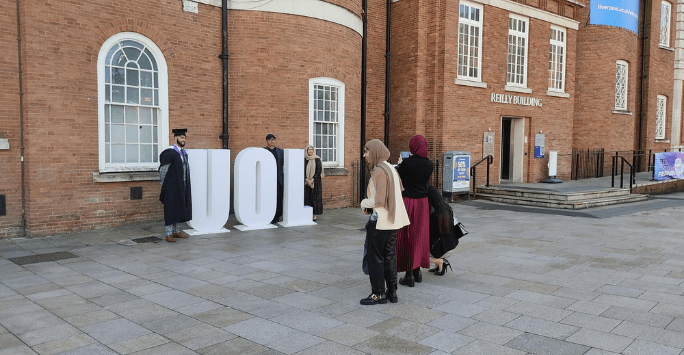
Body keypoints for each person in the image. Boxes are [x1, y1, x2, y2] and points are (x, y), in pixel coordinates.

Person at [360, 139, 410, 305]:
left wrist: (364, 203)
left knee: (376, 258)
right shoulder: (391, 168)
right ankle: (392, 292)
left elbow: (379, 200)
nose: (364, 155)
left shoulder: (378, 171)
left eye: (367, 151)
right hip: (393, 220)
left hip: (380, 221)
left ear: (374, 152)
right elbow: (399, 191)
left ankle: (378, 294)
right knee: (389, 255)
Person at [395, 135, 434, 287]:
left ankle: (409, 274)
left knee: (406, 235)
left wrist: (400, 164)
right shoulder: (429, 164)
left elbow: (399, 176)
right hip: (423, 202)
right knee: (420, 236)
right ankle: (417, 271)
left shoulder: (407, 163)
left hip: (408, 201)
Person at [159, 128, 192, 243]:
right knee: (170, 208)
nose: (183, 139)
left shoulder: (184, 153)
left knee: (178, 207)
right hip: (171, 186)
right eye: (181, 137)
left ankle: (176, 231)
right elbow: (163, 169)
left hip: (181, 185)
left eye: (184, 137)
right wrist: (164, 185)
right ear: (175, 138)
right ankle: (168, 234)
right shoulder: (169, 152)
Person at [426, 186, 459, 275]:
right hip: (452, 244)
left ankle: (439, 261)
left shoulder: (433, 214)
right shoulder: (447, 207)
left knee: (417, 253)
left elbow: (430, 235)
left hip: (443, 248)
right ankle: (438, 266)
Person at [264, 134, 284, 224]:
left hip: (278, 178)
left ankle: (277, 216)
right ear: (267, 141)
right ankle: (269, 216)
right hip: (268, 179)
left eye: (273, 139)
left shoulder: (280, 151)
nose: (272, 141)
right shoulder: (263, 151)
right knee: (268, 197)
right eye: (270, 140)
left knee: (279, 197)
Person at [304, 144, 323, 221]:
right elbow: (302, 170)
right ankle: (306, 214)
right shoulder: (304, 159)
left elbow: (319, 171)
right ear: (306, 151)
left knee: (315, 198)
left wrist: (312, 179)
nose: (311, 151)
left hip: (316, 182)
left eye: (312, 149)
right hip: (306, 182)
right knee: (307, 198)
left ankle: (314, 215)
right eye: (309, 150)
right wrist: (306, 179)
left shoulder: (317, 159)